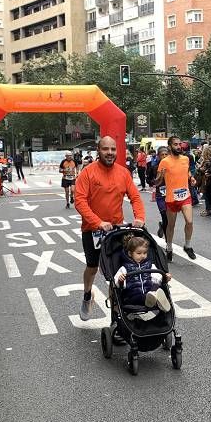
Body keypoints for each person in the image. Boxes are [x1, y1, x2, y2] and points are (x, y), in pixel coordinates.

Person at [73, 136, 146, 321]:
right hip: (93, 230)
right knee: (92, 266)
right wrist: (97, 222)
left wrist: (139, 217)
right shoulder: (88, 173)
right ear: (99, 150)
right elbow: (80, 201)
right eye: (106, 149)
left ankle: (117, 316)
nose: (110, 153)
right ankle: (87, 295)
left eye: (113, 149)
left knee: (116, 273)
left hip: (116, 230)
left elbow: (135, 197)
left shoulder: (123, 173)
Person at [113, 234, 172, 321]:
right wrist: (120, 279)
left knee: (156, 285)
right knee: (141, 295)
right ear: (130, 253)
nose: (142, 255)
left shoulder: (149, 265)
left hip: (149, 290)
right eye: (139, 253)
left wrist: (165, 278)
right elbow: (117, 283)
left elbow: (157, 277)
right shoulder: (125, 268)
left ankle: (155, 298)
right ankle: (154, 300)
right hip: (133, 295)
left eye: (145, 253)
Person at [157, 135, 197, 261]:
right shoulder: (164, 162)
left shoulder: (185, 159)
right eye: (175, 144)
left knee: (189, 221)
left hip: (185, 196)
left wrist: (191, 178)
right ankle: (169, 248)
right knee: (171, 225)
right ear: (170, 146)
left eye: (180, 144)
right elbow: (157, 182)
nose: (179, 146)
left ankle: (188, 245)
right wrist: (160, 176)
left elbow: (187, 172)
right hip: (171, 198)